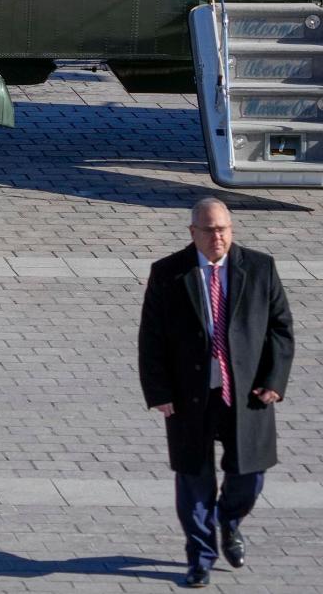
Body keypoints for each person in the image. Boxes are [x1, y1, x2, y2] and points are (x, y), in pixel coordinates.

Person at [138, 197, 294, 588]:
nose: (217, 236)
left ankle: (229, 519)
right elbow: (151, 337)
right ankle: (200, 558)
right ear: (193, 233)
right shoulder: (169, 273)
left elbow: (280, 328)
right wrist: (158, 390)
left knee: (250, 475)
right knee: (194, 480)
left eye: (223, 228)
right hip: (191, 394)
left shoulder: (260, 268)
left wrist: (274, 381)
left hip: (247, 394)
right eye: (208, 230)